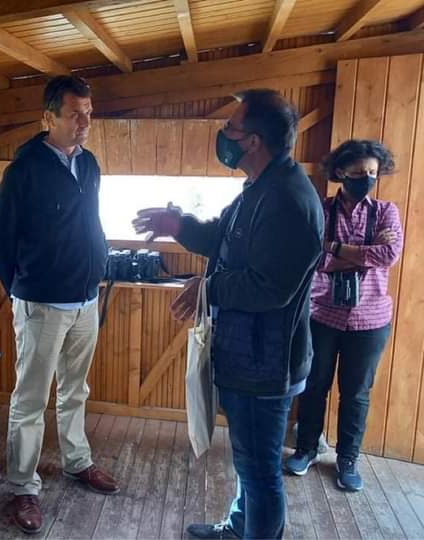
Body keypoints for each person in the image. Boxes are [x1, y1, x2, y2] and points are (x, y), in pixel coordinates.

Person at [133, 89, 324, 540]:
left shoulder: (288, 199)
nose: (224, 134)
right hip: (248, 353)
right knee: (248, 461)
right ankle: (239, 528)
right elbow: (223, 237)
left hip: (267, 362)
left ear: (254, 141)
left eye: (231, 128)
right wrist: (178, 225)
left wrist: (208, 286)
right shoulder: (261, 187)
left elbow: (270, 287)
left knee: (260, 472)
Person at [0, 75, 118, 534]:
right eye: (75, 114)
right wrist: (21, 290)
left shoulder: (90, 164)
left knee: (75, 390)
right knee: (30, 398)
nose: (85, 122)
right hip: (41, 302)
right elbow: (0, 239)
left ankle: (77, 461)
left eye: (88, 113)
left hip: (85, 298)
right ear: (49, 117)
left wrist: (97, 265)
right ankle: (23, 485)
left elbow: (90, 221)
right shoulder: (23, 170)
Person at [284, 140, 402, 491]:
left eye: (372, 172)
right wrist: (363, 252)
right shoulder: (320, 209)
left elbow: (388, 254)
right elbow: (310, 257)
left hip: (370, 320)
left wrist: (334, 247)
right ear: (340, 172)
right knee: (313, 386)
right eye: (358, 172)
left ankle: (348, 459)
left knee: (356, 393)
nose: (366, 178)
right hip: (323, 315)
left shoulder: (386, 211)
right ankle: (306, 449)